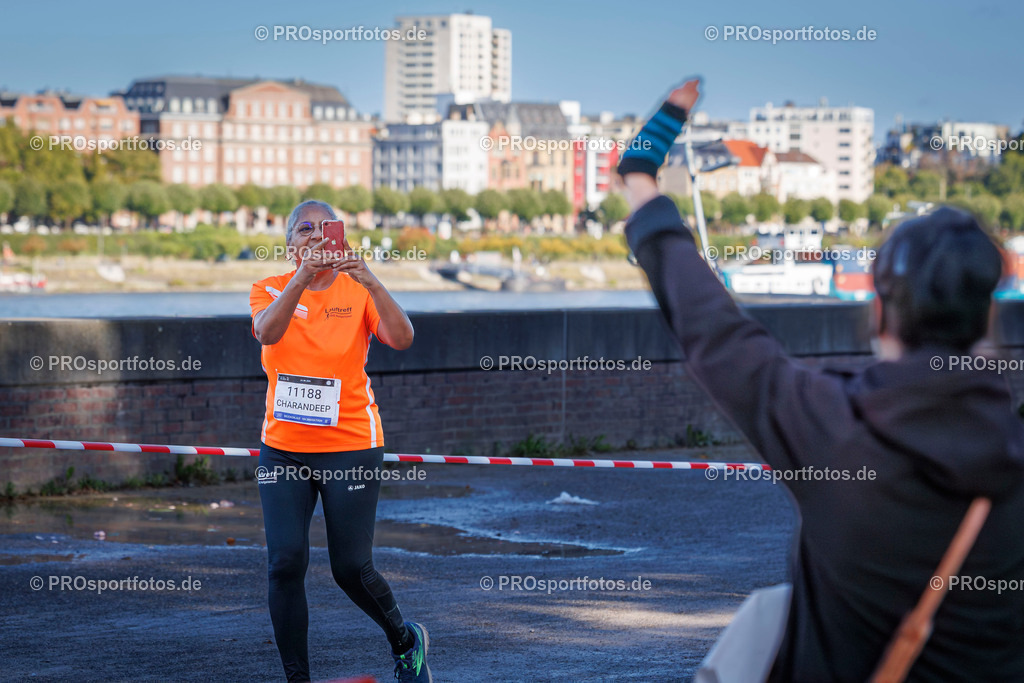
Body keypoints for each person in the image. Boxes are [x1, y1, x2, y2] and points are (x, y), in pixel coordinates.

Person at [617, 79, 1024, 681]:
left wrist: (641, 177)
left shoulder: (835, 429)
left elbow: (714, 328)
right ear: (988, 316)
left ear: (880, 310)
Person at [249, 200, 431, 683]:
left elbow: (402, 338)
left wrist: (371, 279)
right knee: (284, 563)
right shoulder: (269, 288)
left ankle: (405, 641)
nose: (314, 235)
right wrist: (302, 278)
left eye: (323, 228)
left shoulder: (358, 289)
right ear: (290, 244)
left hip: (350, 445)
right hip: (283, 449)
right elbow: (267, 332)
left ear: (339, 237)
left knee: (350, 568)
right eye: (303, 229)